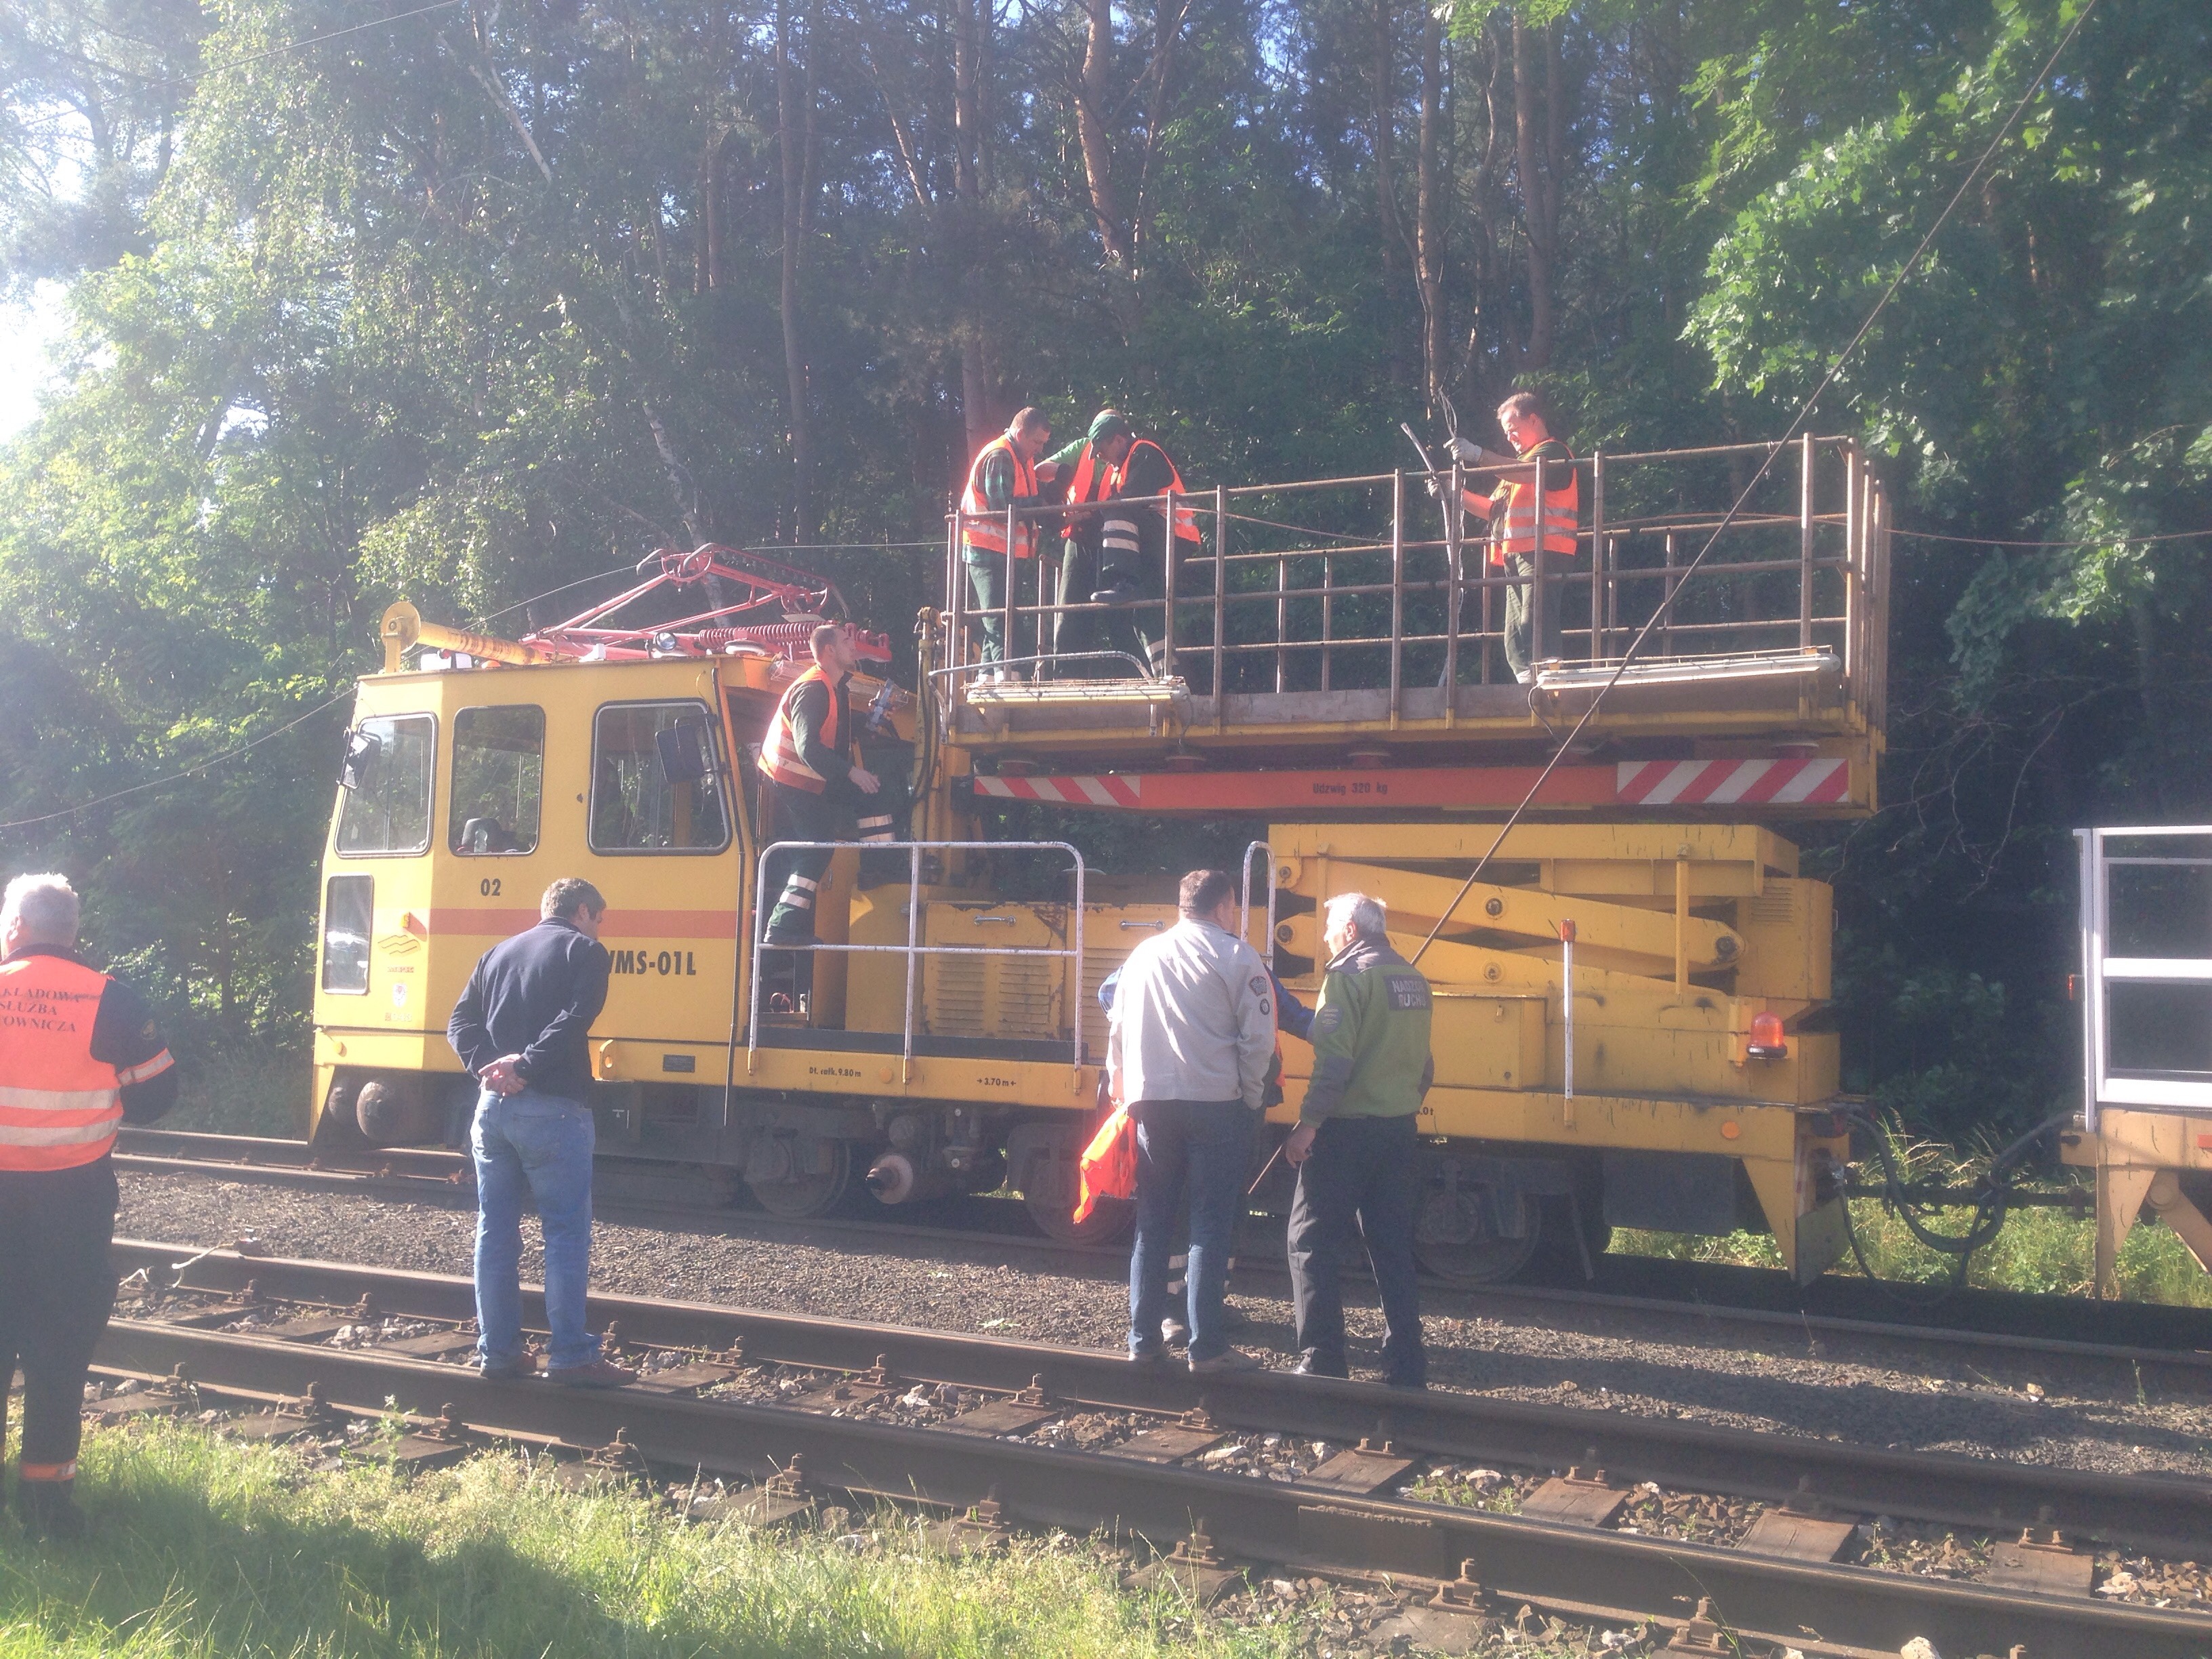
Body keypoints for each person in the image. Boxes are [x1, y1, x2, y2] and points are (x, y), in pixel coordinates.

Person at [0, 873, 177, 1538]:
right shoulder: (116, 1003)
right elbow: (157, 1100)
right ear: (73, 933)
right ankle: (47, 1511)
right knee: (56, 1357)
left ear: (13, 928)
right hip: (70, 1213)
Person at [447, 878, 633, 1388]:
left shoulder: (498, 953)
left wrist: (490, 1068)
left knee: (495, 1230)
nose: (599, 928)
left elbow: (459, 1022)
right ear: (582, 911)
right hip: (553, 1110)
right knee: (565, 1233)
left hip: (492, 1111)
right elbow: (577, 1018)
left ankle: (499, 1352)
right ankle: (571, 1354)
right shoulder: (586, 952)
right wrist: (525, 1066)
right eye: (599, 917)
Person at [1107, 869, 1277, 1372]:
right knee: (1208, 1224)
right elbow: (1259, 1041)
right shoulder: (1237, 956)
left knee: (1153, 1221)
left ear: (1181, 904)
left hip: (1152, 1105)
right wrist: (1250, 1097)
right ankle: (1207, 1348)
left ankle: (1143, 1340)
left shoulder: (1141, 956)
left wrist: (1123, 1091)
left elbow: (1116, 1030)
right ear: (1225, 906)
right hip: (1215, 1106)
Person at [1283, 892, 1433, 1389]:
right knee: (1391, 1245)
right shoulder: (1413, 978)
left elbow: (1334, 1062)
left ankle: (1324, 1357)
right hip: (1398, 1131)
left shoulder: (1346, 978)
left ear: (1349, 930)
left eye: (1329, 928)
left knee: (1309, 1239)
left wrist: (1308, 1126)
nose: (1325, 936)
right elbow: (1424, 1065)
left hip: (1346, 1132)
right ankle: (1406, 1362)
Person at [757, 623, 889, 946]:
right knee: (818, 847)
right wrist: (851, 773)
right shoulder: (814, 688)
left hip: (811, 775)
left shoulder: (834, 687)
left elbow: (835, 728)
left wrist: (867, 721)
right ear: (829, 651)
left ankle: (878, 868)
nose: (854, 645)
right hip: (793, 777)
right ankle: (781, 927)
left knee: (871, 795)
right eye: (847, 640)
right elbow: (808, 748)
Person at [1453, 390, 1581, 684]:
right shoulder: (1516, 470)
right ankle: (1527, 682)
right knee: (1514, 631)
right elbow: (1492, 511)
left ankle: (1551, 680)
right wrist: (1455, 494)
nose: (1510, 437)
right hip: (1517, 554)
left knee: (1535, 618)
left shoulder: (1553, 452)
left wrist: (1478, 455)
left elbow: (1527, 473)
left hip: (1545, 550)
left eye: (1512, 429)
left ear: (1533, 420)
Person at [1095, 426, 1202, 676]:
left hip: (1172, 534)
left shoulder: (1144, 452)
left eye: (1102, 450)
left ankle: (1123, 580)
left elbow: (1133, 499)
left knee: (1119, 509)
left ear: (1118, 439)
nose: (1100, 457)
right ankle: (1169, 674)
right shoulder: (1120, 467)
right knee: (1147, 614)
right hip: (1158, 538)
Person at [959, 407, 1056, 676]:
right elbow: (1002, 507)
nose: (1039, 449)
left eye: (1043, 444)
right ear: (1021, 433)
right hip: (986, 553)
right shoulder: (1001, 455)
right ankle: (1003, 678)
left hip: (1003, 553)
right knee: (999, 619)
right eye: (1037, 442)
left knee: (1001, 618)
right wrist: (1039, 504)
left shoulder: (1019, 457)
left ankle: (988, 677)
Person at [1042, 409, 1133, 670]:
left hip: (1114, 539)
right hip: (1080, 537)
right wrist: (1063, 473)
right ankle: (1065, 678)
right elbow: (1042, 470)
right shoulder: (1083, 448)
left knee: (1121, 613)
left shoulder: (1130, 453)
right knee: (1071, 614)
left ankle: (1132, 677)